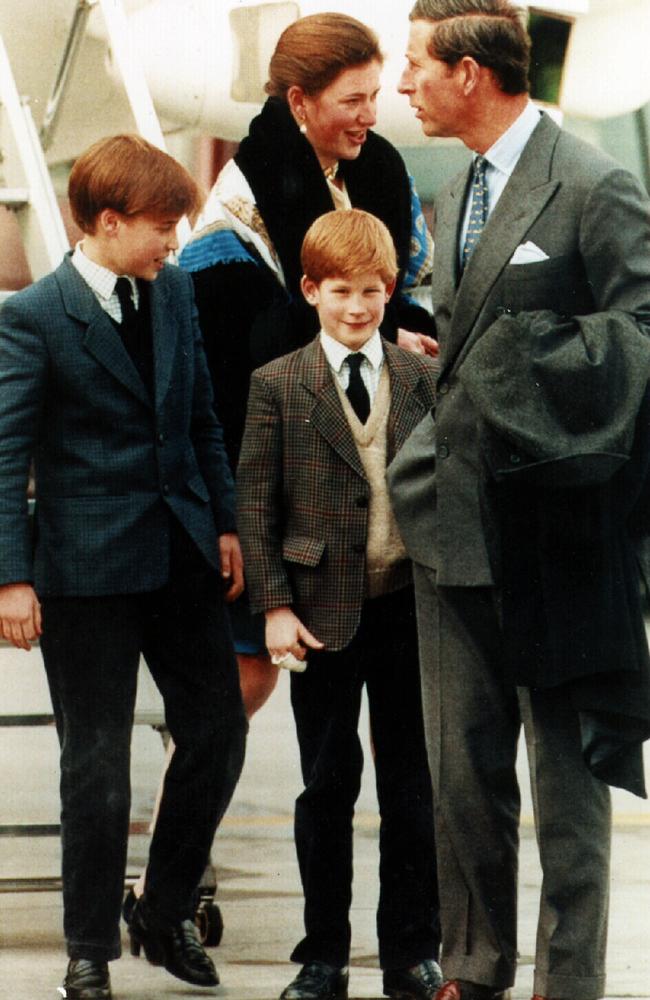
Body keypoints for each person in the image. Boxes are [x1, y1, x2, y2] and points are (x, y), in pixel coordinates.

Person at [388, 3, 650, 1000]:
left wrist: (507, 367)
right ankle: (473, 968)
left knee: (567, 778)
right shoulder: (452, 188)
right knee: (460, 776)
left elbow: (637, 335)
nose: (404, 83)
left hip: (558, 536)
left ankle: (569, 981)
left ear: (468, 72)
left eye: (415, 64)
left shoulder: (592, 183)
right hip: (450, 525)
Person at [0, 134, 248, 1000]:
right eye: (162, 227)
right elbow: (6, 454)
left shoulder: (173, 292)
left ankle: (164, 905)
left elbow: (203, 418)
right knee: (97, 768)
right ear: (108, 223)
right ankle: (88, 950)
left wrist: (223, 525)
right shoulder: (32, 317)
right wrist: (10, 577)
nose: (174, 242)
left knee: (217, 733)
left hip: (181, 555)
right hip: (84, 570)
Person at [178, 11, 438, 713]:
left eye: (375, 95)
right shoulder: (240, 204)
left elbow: (402, 286)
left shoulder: (380, 166)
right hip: (275, 468)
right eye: (352, 100)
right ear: (299, 101)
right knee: (246, 681)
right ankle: (184, 817)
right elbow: (234, 356)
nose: (369, 115)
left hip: (376, 483)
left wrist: (405, 333)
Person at [237, 209, 442, 1000]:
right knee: (327, 782)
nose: (356, 308)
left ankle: (411, 953)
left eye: (370, 292)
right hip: (321, 614)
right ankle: (322, 953)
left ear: (390, 290)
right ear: (310, 290)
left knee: (412, 786)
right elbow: (257, 505)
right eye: (339, 293)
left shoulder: (422, 380)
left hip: (408, 609)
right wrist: (274, 607)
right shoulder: (279, 385)